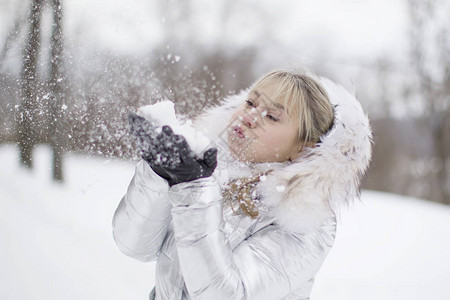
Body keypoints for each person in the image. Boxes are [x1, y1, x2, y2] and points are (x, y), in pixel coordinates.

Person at [112, 69, 372, 300]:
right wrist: (157, 173)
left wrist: (193, 189)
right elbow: (134, 245)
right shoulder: (210, 172)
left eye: (271, 116)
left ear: (303, 148)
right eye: (250, 102)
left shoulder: (305, 223)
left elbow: (224, 295)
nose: (249, 116)